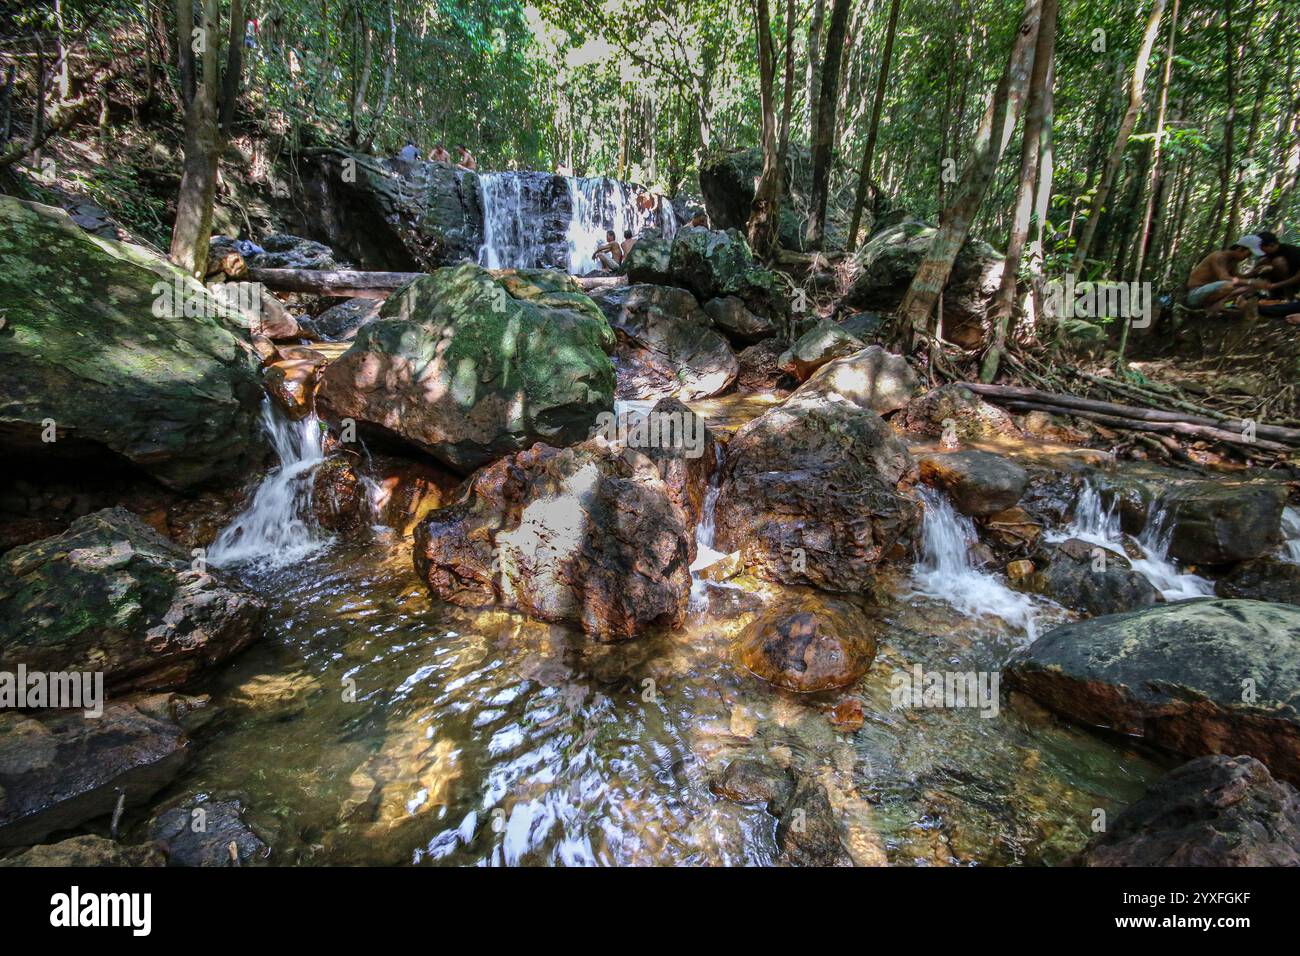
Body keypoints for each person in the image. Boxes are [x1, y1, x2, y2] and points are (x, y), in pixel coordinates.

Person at [1185, 237, 1264, 312]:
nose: (1247, 257)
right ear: (1240, 249)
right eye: (1248, 254)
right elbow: (1224, 278)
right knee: (1229, 285)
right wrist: (1250, 282)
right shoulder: (1219, 256)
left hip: (1210, 293)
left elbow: (1238, 277)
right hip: (1195, 294)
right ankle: (1212, 306)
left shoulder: (1233, 261)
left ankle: (1220, 305)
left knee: (1249, 288)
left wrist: (1254, 273)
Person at [1250, 231, 1300, 299]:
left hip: (1292, 284)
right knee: (1263, 262)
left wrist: (1275, 285)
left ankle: (1289, 296)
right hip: (1275, 286)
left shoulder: (1293, 252)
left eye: (1261, 247)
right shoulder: (1265, 256)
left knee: (1278, 262)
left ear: (1271, 245)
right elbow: (1253, 274)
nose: (1260, 250)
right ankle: (1274, 295)